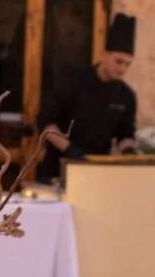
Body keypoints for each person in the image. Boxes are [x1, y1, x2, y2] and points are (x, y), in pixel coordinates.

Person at [37, 13, 138, 184]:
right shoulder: (73, 82)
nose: (122, 69)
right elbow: (46, 122)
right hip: (59, 168)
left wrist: (128, 150)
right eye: (118, 62)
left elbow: (125, 133)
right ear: (104, 55)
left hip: (97, 172)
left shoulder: (126, 96)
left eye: (127, 64)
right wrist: (69, 149)